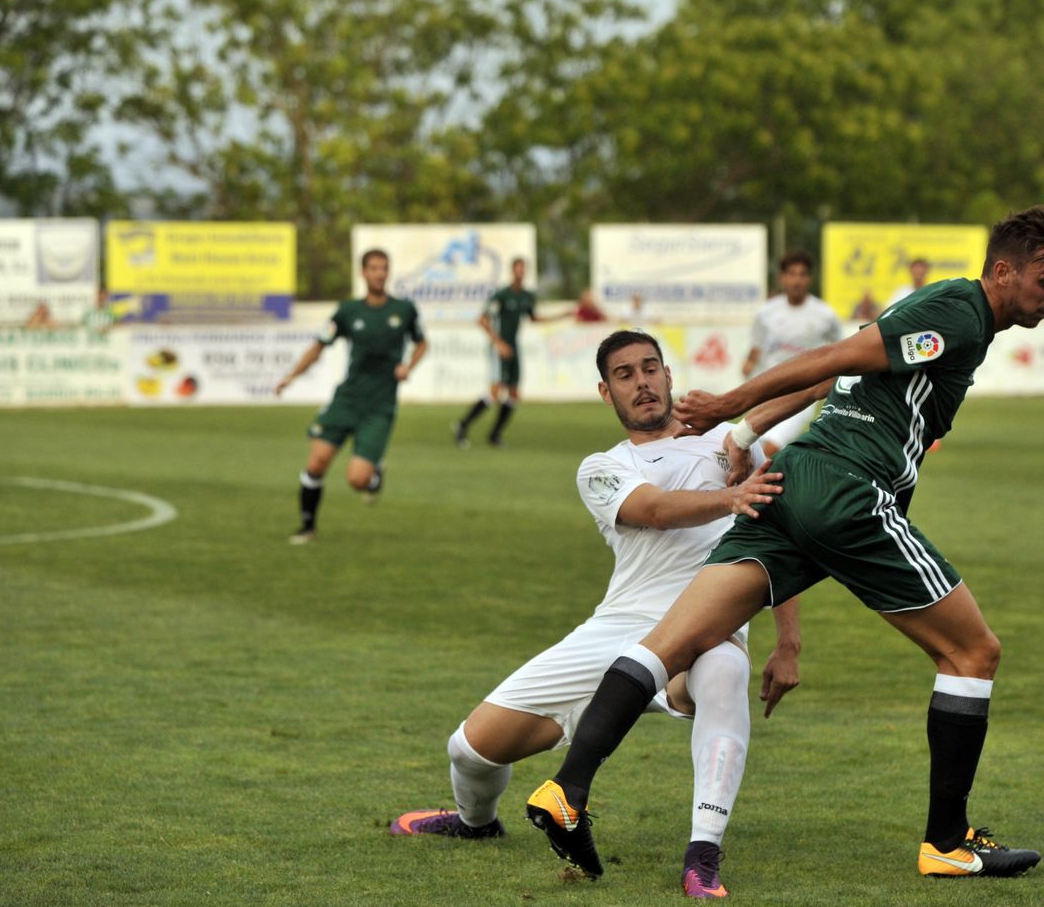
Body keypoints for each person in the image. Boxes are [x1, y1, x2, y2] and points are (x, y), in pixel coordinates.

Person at [525, 205, 1044, 882]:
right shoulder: (961, 308)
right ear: (1002, 270)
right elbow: (837, 356)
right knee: (973, 650)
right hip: (848, 491)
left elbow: (843, 369)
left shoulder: (958, 316)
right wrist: (731, 404)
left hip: (796, 482)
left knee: (669, 642)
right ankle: (946, 840)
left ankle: (567, 788)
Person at [393, 329, 807, 898]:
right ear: (605, 392)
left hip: (706, 623)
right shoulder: (601, 467)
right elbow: (655, 510)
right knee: (470, 748)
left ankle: (703, 854)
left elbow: (778, 536)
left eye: (650, 368)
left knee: (725, 674)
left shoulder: (731, 444)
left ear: (669, 376)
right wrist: (727, 498)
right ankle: (476, 823)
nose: (642, 383)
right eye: (625, 375)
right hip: (620, 625)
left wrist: (788, 643)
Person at [275, 248, 426, 544]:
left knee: (357, 480)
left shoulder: (404, 310)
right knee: (316, 462)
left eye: (384, 268)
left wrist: (408, 366)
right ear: (363, 273)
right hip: (347, 399)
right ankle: (307, 527)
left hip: (379, 406)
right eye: (373, 268)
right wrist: (291, 376)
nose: (379, 274)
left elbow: (422, 343)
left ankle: (374, 474)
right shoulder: (347, 311)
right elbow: (319, 346)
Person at [740, 250, 844, 457]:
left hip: (802, 391)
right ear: (782, 278)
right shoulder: (766, 312)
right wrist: (749, 365)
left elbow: (840, 349)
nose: (797, 280)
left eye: (802, 274)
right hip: (769, 389)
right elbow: (756, 346)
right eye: (791, 274)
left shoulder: (825, 314)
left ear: (809, 278)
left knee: (769, 448)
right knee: (749, 446)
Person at [453, 257, 558, 449]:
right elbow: (482, 320)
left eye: (523, 269)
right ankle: (462, 425)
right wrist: (498, 343)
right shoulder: (501, 295)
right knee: (495, 392)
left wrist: (561, 315)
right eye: (517, 269)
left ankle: (494, 435)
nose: (520, 272)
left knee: (514, 393)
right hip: (498, 348)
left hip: (513, 347)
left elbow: (534, 318)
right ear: (512, 271)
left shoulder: (526, 296)